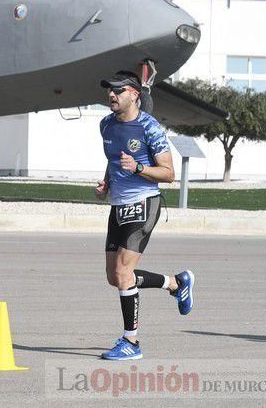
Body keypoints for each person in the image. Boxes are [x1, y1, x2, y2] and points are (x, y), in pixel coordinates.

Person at [95, 71, 194, 361]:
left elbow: (169, 174)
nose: (111, 96)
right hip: (118, 206)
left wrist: (138, 169)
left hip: (143, 204)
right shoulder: (106, 125)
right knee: (114, 277)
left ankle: (131, 342)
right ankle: (176, 283)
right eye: (109, 91)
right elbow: (113, 160)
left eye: (118, 91)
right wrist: (107, 184)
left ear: (135, 94)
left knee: (124, 273)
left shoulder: (150, 128)